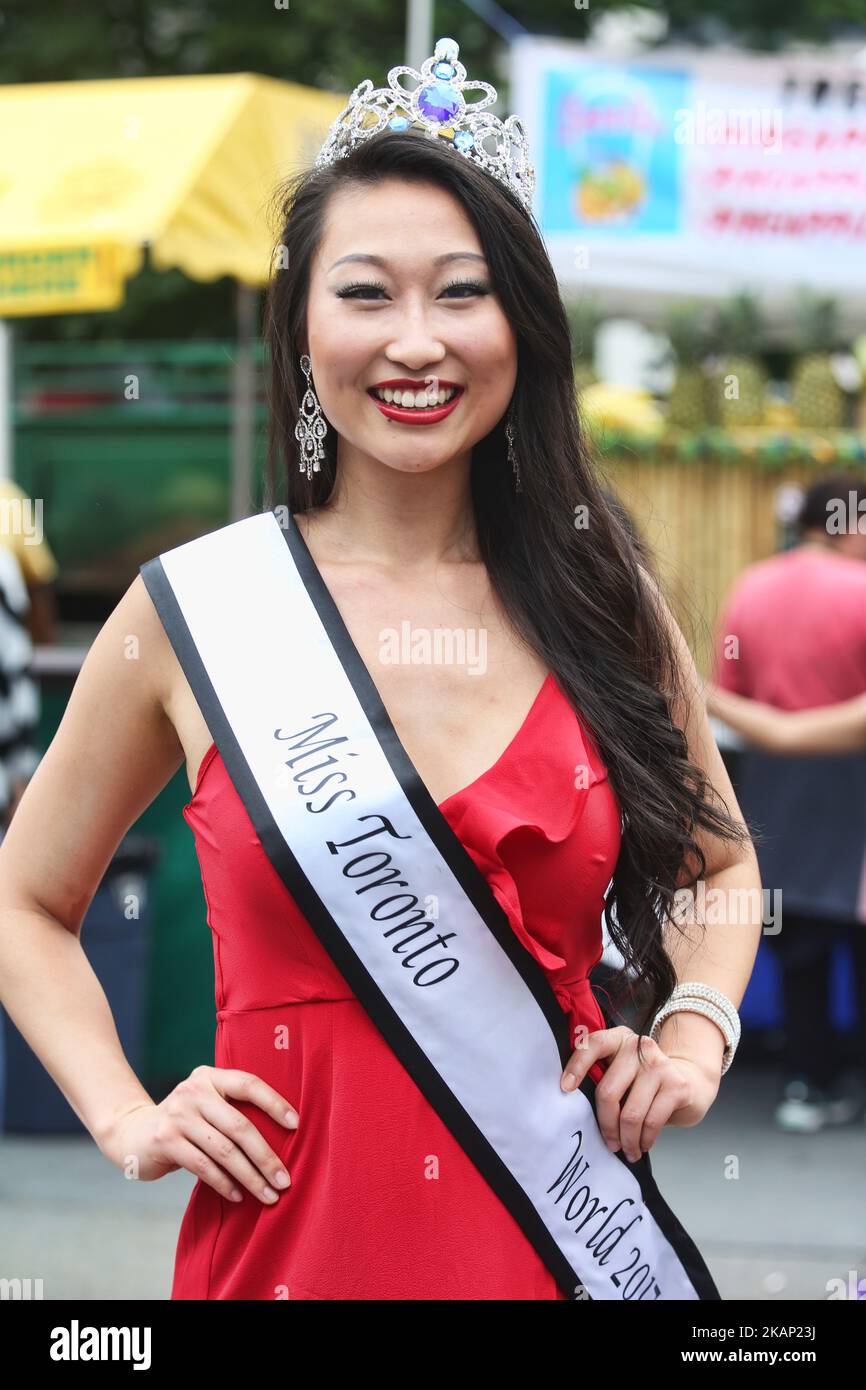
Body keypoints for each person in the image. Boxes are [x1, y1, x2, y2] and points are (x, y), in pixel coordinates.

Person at [0, 38, 762, 1302]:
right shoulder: (194, 611)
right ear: (301, 326)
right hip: (287, 1249)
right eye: (365, 294)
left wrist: (694, 1030)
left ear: (522, 322)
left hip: (555, 1240)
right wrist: (126, 1115)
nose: (417, 342)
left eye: (461, 292)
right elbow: (24, 902)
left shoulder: (600, 597)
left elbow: (717, 861)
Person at [712, 475, 866, 1133]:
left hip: (777, 788)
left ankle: (808, 1082)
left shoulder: (751, 585)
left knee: (794, 937)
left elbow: (730, 692)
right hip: (853, 788)